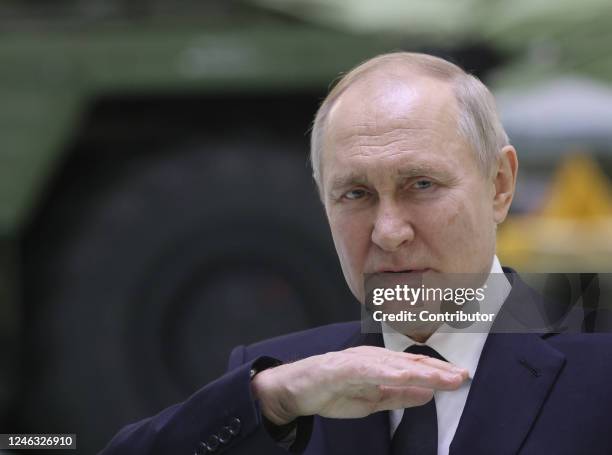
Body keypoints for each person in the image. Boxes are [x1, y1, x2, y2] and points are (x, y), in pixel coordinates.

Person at [100, 53, 612, 455]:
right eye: (356, 195)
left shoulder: (597, 362)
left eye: (422, 184)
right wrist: (272, 400)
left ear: (499, 186)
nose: (389, 231)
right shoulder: (284, 384)